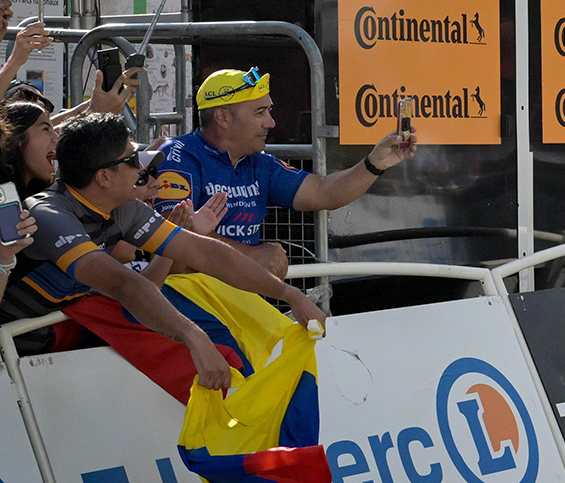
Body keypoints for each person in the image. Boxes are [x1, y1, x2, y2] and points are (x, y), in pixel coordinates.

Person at [2, 115, 327, 370]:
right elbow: (123, 283)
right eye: (132, 160)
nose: (142, 169)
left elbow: (204, 252)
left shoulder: (124, 208)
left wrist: (288, 293)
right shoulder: (47, 214)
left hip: (43, 346)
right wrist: (193, 337)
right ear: (103, 177)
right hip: (11, 353)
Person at [151, 69, 418, 279]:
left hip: (238, 295)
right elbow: (172, 239)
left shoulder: (258, 162)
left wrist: (374, 163)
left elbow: (321, 192)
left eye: (269, 111)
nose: (271, 122)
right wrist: (251, 255)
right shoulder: (178, 156)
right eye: (260, 112)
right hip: (189, 298)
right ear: (222, 117)